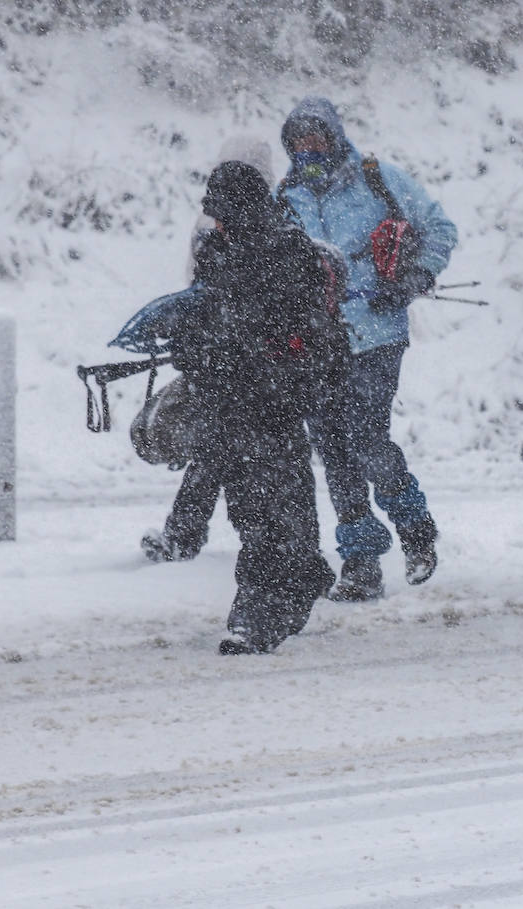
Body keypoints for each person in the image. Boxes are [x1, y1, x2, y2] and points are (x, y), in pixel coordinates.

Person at [277, 96, 458, 601]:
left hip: (377, 332)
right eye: (298, 141)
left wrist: (413, 277)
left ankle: (416, 530)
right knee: (334, 449)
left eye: (317, 137)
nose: (308, 148)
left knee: (366, 438)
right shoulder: (285, 197)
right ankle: (360, 562)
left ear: (335, 136)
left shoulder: (378, 179)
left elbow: (440, 228)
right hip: (316, 341)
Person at [169, 160, 342, 654]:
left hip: (276, 398)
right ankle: (292, 581)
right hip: (230, 397)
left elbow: (304, 331)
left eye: (221, 211)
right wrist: (193, 346)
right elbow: (203, 312)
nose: (215, 222)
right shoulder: (218, 250)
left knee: (276, 507)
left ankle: (261, 610)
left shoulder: (287, 250)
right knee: (254, 509)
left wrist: (256, 351)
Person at [141, 136, 279, 564]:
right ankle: (250, 539)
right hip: (234, 359)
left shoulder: (226, 223)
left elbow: (199, 288)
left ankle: (206, 537)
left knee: (222, 449)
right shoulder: (269, 220)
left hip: (236, 360)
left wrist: (199, 336)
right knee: (224, 450)